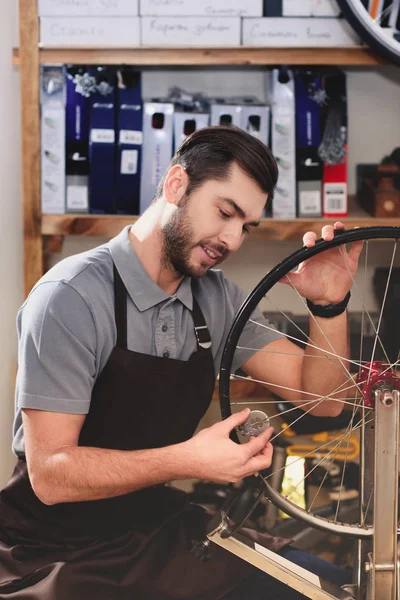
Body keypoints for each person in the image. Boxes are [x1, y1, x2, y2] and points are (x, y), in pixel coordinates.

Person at [0, 126, 362, 599]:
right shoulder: (70, 298)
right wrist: (188, 459)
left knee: (327, 588)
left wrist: (329, 305)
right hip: (55, 548)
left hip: (154, 524)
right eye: (225, 213)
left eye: (246, 226)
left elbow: (323, 402)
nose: (232, 239)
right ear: (175, 185)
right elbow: (51, 475)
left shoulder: (217, 297)